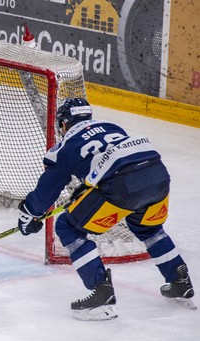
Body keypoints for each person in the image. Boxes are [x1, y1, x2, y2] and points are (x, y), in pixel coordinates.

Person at [17, 97, 195, 320]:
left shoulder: (64, 147)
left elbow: (45, 195)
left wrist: (29, 214)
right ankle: (180, 280)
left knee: (68, 226)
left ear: (63, 123)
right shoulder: (112, 127)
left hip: (123, 185)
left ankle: (101, 294)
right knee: (148, 228)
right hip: (158, 176)